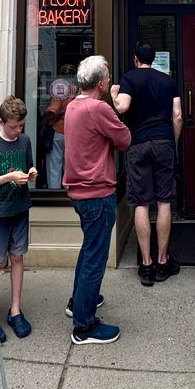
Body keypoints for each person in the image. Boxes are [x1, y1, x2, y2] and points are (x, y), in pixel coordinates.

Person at [63, 55, 131, 345]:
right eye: (108, 77)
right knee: (95, 257)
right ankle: (85, 325)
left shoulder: (73, 106)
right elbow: (124, 139)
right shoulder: (98, 107)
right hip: (97, 193)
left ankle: (78, 301)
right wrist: (116, 105)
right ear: (102, 83)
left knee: (89, 250)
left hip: (80, 192)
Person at [111, 41, 182, 286]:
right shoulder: (167, 81)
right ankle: (163, 261)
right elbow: (178, 116)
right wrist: (172, 143)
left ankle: (147, 264)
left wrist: (112, 94)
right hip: (164, 142)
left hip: (138, 144)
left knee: (141, 203)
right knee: (164, 202)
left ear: (135, 59)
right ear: (154, 59)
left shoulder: (129, 78)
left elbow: (123, 106)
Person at [0, 96, 37, 343]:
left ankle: (15, 310)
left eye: (21, 125)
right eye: (13, 126)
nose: (18, 130)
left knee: (17, 257)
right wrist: (8, 177)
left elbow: (30, 165)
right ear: (1, 122)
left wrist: (32, 173)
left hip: (20, 208)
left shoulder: (24, 141)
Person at [42, 66, 77, 189]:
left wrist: (46, 114)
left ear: (61, 76)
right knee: (70, 166)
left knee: (54, 165)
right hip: (73, 131)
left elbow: (54, 109)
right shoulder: (78, 90)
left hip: (58, 129)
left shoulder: (60, 89)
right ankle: (69, 192)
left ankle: (54, 192)